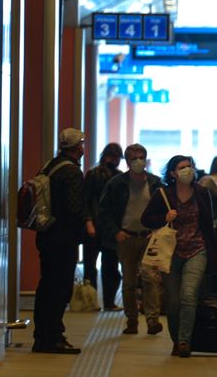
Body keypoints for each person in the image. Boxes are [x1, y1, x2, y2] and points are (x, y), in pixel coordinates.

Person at [142, 155, 217, 357]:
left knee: (189, 295)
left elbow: (208, 226)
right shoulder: (163, 194)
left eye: (190, 166)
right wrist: (164, 218)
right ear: (173, 173)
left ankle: (185, 341)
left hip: (197, 250)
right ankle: (176, 339)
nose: (187, 170)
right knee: (173, 301)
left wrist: (215, 257)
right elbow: (146, 219)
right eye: (182, 167)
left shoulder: (202, 193)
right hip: (171, 253)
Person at [32, 128, 96, 354]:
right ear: (79, 147)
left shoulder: (49, 166)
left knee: (46, 287)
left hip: (46, 234)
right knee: (59, 290)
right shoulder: (72, 173)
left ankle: (41, 337)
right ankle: (53, 338)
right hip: (63, 239)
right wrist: (84, 229)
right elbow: (74, 208)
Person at [96, 143, 164, 335]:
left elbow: (163, 210)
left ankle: (152, 320)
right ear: (127, 161)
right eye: (134, 158)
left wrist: (157, 229)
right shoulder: (116, 184)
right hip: (126, 238)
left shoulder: (155, 183)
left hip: (149, 236)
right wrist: (115, 232)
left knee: (150, 278)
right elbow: (103, 212)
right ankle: (131, 319)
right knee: (129, 281)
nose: (138, 161)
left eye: (141, 157)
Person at [82, 142, 123, 310]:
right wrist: (88, 221)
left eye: (117, 158)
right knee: (91, 266)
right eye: (112, 157)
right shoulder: (93, 175)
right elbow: (86, 200)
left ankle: (109, 302)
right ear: (105, 157)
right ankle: (91, 302)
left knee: (111, 267)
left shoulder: (119, 176)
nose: (114, 161)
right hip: (96, 225)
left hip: (110, 228)